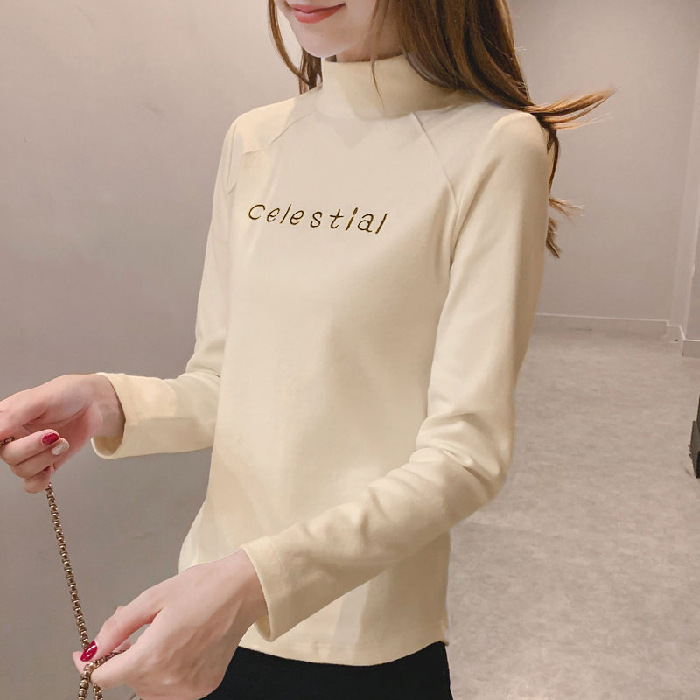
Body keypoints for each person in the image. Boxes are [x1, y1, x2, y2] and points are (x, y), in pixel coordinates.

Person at [0, 1, 615, 698]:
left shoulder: (497, 146)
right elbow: (223, 381)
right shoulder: (255, 138)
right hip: (206, 612)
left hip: (359, 640)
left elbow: (465, 456)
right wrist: (108, 404)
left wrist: (256, 582)